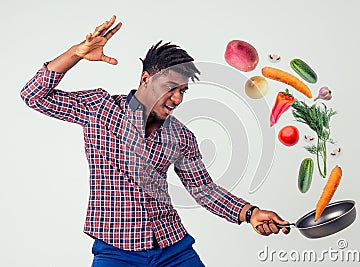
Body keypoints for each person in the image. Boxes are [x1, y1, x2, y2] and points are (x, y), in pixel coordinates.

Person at [20, 15, 289, 267]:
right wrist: (75, 53)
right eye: (170, 87)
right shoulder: (99, 109)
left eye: (182, 90)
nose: (177, 99)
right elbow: (33, 95)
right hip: (115, 251)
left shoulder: (182, 136)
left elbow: (203, 189)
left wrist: (250, 212)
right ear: (146, 79)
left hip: (173, 248)